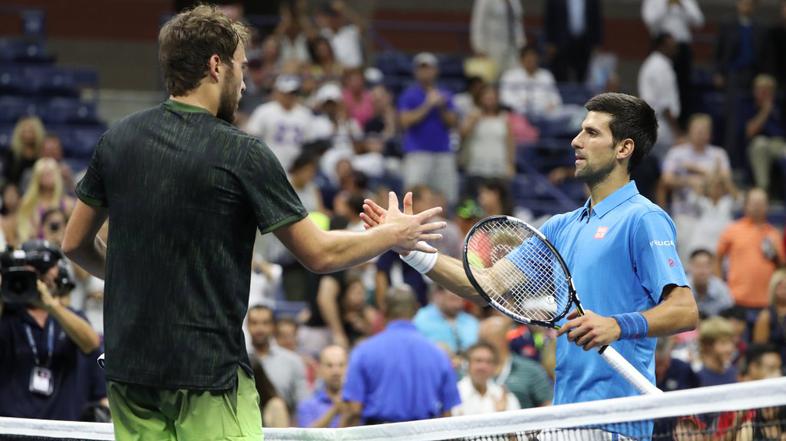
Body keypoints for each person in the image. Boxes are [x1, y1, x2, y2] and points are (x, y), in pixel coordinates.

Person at [61, 6, 445, 441]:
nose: (244, 84)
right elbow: (318, 254)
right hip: (207, 378)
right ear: (216, 65)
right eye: (241, 68)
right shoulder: (242, 153)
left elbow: (74, 243)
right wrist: (392, 234)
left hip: (130, 374)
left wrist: (135, 277)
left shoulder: (117, 140)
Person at [362, 92, 698, 437]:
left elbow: (684, 310)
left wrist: (617, 325)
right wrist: (410, 249)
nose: (576, 141)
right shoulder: (560, 226)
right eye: (580, 131)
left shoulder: (643, 219)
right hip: (566, 418)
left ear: (623, 148)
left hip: (617, 422)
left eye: (592, 133)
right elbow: (483, 286)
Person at [0, 240, 102, 420]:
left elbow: (91, 343)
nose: (40, 277)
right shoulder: (8, 316)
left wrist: (51, 306)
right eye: (32, 270)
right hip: (12, 427)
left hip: (62, 428)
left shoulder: (70, 317)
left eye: (45, 269)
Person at [341, 286, 461, 425]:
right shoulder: (439, 355)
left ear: (384, 311)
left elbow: (354, 410)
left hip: (379, 435)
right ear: (416, 309)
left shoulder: (363, 352)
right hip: (425, 435)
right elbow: (447, 413)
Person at [398, 52, 459, 206]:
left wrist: (442, 107)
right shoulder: (409, 95)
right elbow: (405, 121)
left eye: (429, 68)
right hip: (417, 152)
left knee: (446, 197)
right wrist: (428, 105)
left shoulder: (445, 95)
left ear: (436, 70)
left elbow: (452, 122)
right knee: (412, 196)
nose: (425, 72)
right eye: (422, 68)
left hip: (443, 151)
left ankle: (445, 227)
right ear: (416, 71)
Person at [717, 189, 784, 311]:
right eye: (754, 203)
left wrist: (775, 256)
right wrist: (719, 284)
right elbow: (718, 258)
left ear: (767, 206)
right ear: (746, 205)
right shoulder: (732, 230)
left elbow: (781, 268)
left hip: (767, 301)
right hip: (736, 298)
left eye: (761, 203)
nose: (757, 207)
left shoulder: (774, 234)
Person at [641, 0, 704, 123]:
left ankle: (681, 125)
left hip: (682, 48)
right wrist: (666, 5)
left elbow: (699, 21)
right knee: (660, 86)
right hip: (661, 45)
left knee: (683, 90)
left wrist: (682, 5)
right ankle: (657, 122)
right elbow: (650, 21)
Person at [478, 316, 552, 409]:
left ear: (504, 339)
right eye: (481, 340)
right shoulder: (473, 370)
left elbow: (548, 406)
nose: (482, 346)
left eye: (488, 339)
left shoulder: (530, 370)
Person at [244, 74, 315, 170]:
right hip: (269, 166)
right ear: (278, 92)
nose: (290, 96)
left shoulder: (305, 114)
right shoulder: (264, 111)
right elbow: (251, 137)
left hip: (295, 169)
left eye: (293, 93)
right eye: (287, 92)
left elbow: (309, 144)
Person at [638, 33, 681, 157]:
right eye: (672, 45)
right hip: (663, 126)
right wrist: (677, 131)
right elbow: (665, 105)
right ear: (662, 46)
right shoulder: (660, 67)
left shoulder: (653, 63)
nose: (676, 48)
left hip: (652, 124)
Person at [453, 341, 521, 416]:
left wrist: (502, 415)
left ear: (495, 367)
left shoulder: (506, 397)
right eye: (478, 361)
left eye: (488, 362)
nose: (483, 367)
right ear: (467, 364)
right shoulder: (454, 394)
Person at [543, 0, 603, 83]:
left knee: (583, 75)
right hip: (561, 43)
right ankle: (561, 94)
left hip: (584, 42)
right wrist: (550, 42)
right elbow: (549, 19)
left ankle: (581, 95)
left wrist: (597, 43)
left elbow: (597, 19)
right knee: (561, 74)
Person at [745, 74, 786, 195]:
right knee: (760, 145)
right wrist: (765, 111)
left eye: (767, 91)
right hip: (757, 143)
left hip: (779, 143)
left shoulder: (781, 106)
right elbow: (750, 131)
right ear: (755, 91)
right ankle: (763, 191)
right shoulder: (748, 106)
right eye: (761, 90)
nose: (763, 94)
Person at [499, 45, 562, 118]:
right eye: (528, 59)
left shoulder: (546, 75)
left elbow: (556, 98)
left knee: (575, 110)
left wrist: (552, 104)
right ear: (521, 60)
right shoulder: (509, 76)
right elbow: (505, 98)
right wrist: (520, 104)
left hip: (545, 114)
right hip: (518, 114)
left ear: (538, 59)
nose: (531, 61)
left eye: (533, 58)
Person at [414, 284, 479, 355]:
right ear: (438, 295)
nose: (458, 304)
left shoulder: (471, 321)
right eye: (453, 299)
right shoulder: (420, 319)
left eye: (461, 299)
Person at [297, 345, 349, 428]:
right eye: (329, 365)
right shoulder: (307, 405)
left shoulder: (358, 403)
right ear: (320, 369)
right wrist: (335, 409)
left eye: (341, 365)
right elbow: (307, 437)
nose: (336, 371)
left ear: (348, 368)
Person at [470, 0, 526, 74]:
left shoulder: (515, 1)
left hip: (513, 48)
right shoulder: (484, 1)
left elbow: (517, 22)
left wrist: (521, 43)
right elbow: (478, 24)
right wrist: (479, 48)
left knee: (513, 76)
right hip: (492, 47)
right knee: (493, 78)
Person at [687, 249, 734, 318]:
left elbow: (730, 309)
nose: (702, 271)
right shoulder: (682, 289)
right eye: (698, 266)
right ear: (689, 267)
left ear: (712, 268)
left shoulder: (720, 288)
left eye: (706, 266)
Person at [752, 269, 786, 364]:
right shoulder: (766, 316)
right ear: (773, 288)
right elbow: (759, 349)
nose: (784, 288)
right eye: (780, 285)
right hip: (774, 365)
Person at [696, 317, 738, 387]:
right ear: (708, 345)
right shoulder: (696, 377)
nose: (730, 348)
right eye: (723, 343)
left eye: (731, 342)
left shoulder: (733, 373)